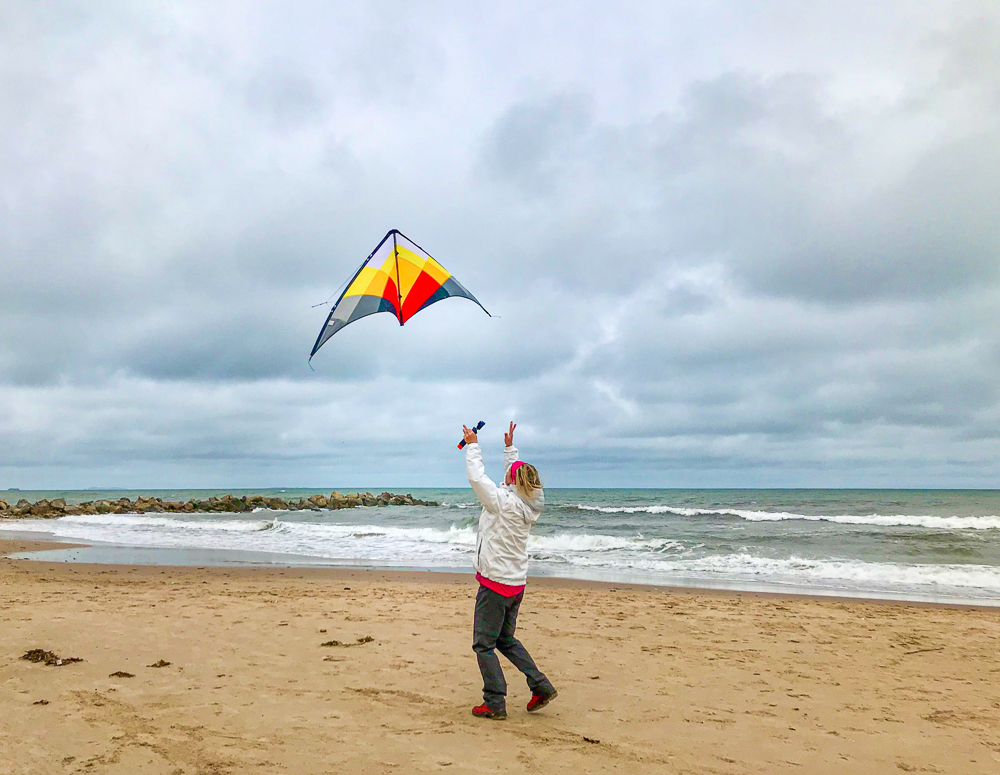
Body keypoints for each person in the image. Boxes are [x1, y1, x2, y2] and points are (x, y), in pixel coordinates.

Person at [462, 420, 557, 720]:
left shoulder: (503, 503)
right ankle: (540, 685)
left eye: (509, 472)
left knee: (483, 643)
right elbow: (514, 475)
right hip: (516, 585)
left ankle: (495, 701)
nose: (506, 474)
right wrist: (509, 449)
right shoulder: (525, 504)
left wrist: (473, 445)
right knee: (504, 640)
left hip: (495, 585)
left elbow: (479, 480)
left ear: (513, 482)